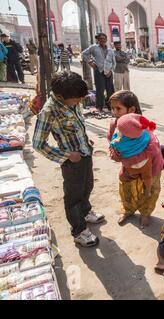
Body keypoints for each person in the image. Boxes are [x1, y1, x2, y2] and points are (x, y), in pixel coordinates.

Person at [32, 71, 105, 247]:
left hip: (85, 152)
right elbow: (38, 144)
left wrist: (85, 140)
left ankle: (86, 212)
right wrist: (67, 155)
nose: (79, 102)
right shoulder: (49, 111)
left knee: (87, 186)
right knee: (73, 196)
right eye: (76, 100)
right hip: (72, 161)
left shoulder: (71, 100)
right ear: (60, 96)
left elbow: (77, 125)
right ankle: (79, 230)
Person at [107, 90, 164, 227]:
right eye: (112, 108)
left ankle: (145, 212)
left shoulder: (142, 127)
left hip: (151, 166)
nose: (114, 112)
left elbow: (153, 147)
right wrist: (113, 153)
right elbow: (111, 140)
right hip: (129, 165)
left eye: (118, 108)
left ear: (131, 109)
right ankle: (128, 209)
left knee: (150, 189)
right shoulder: (115, 124)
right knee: (126, 187)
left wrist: (135, 158)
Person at [110, 114, 157, 197]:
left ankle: (134, 185)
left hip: (131, 165)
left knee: (129, 176)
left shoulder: (120, 143)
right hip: (145, 162)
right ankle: (148, 190)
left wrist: (115, 137)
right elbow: (151, 143)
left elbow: (113, 145)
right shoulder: (144, 135)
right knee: (147, 177)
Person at [82, 33, 116, 112]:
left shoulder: (110, 50)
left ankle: (111, 106)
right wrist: (90, 62)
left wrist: (111, 71)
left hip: (109, 72)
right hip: (99, 71)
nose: (102, 40)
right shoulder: (94, 47)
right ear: (98, 39)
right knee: (100, 89)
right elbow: (84, 54)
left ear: (106, 39)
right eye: (100, 38)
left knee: (110, 89)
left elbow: (114, 62)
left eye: (104, 38)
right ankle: (99, 107)